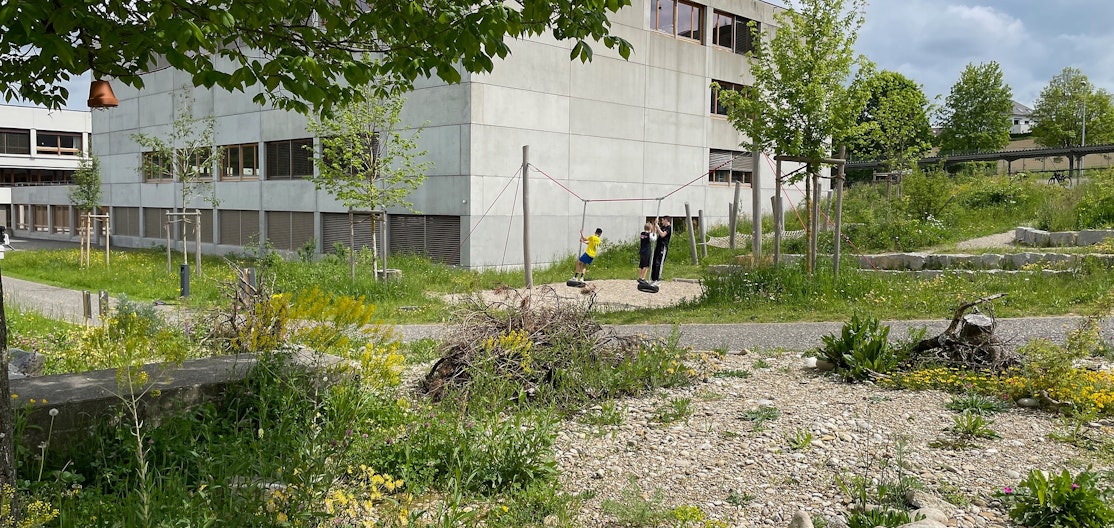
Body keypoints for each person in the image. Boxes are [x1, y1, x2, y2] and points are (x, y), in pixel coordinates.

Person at [649, 216, 672, 285]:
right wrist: (655, 225)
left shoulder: (668, 228)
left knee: (658, 263)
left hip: (663, 247)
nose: (662, 222)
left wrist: (658, 227)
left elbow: (662, 235)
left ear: (666, 220)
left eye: (663, 220)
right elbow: (655, 232)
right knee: (654, 262)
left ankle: (658, 279)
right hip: (658, 246)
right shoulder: (662, 227)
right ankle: (653, 279)